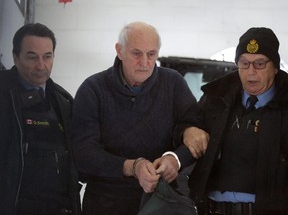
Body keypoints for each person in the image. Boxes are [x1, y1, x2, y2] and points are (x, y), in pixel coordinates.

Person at [71, 21, 208, 215]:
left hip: (162, 202)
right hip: (105, 203)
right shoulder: (93, 89)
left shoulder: (174, 84)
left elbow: (197, 135)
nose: (144, 62)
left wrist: (175, 159)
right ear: (120, 51)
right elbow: (83, 153)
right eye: (136, 53)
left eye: (151, 54)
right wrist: (132, 167)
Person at [181, 27, 288, 215]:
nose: (251, 72)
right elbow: (185, 122)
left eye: (260, 64)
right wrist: (188, 130)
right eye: (244, 64)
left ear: (275, 67)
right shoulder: (216, 98)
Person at [0, 23, 81, 215]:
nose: (41, 66)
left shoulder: (63, 101)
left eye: (47, 56)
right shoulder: (3, 94)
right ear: (15, 57)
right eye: (32, 57)